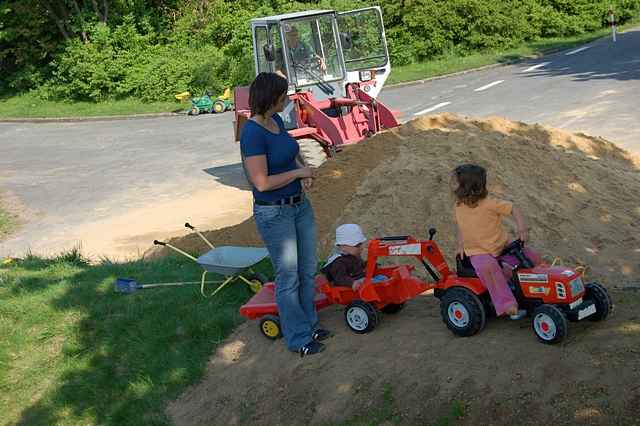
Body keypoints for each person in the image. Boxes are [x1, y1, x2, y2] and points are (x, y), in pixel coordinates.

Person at [240, 72, 330, 357]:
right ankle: (298, 338)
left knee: (306, 269)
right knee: (288, 276)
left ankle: (310, 325)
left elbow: (291, 152)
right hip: (274, 214)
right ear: (272, 98)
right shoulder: (252, 133)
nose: (288, 99)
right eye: (284, 95)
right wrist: (298, 172)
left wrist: (302, 169)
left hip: (299, 205)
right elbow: (261, 182)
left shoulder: (276, 121)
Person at [451, 164, 541, 319]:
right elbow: (461, 226)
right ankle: (507, 304)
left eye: (455, 182)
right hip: (478, 252)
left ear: (467, 187)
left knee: (530, 255)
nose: (451, 186)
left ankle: (538, 288)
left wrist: (521, 230)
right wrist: (460, 244)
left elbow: (514, 209)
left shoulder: (490, 203)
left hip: (502, 247)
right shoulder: (458, 207)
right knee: (488, 267)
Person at [322, 224, 387, 291]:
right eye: (357, 245)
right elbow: (340, 278)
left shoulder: (353, 255)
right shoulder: (338, 262)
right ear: (343, 247)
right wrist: (352, 283)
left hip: (361, 279)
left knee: (382, 278)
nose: (361, 247)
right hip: (350, 287)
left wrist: (369, 264)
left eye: (361, 244)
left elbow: (359, 267)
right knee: (376, 282)